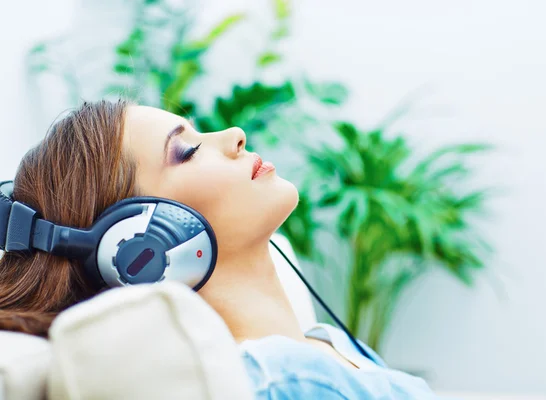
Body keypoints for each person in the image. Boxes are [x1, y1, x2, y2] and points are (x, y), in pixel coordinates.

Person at [0, 100, 442, 399]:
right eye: (187, 150)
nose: (234, 134)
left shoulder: (321, 347)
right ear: (136, 243)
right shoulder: (281, 379)